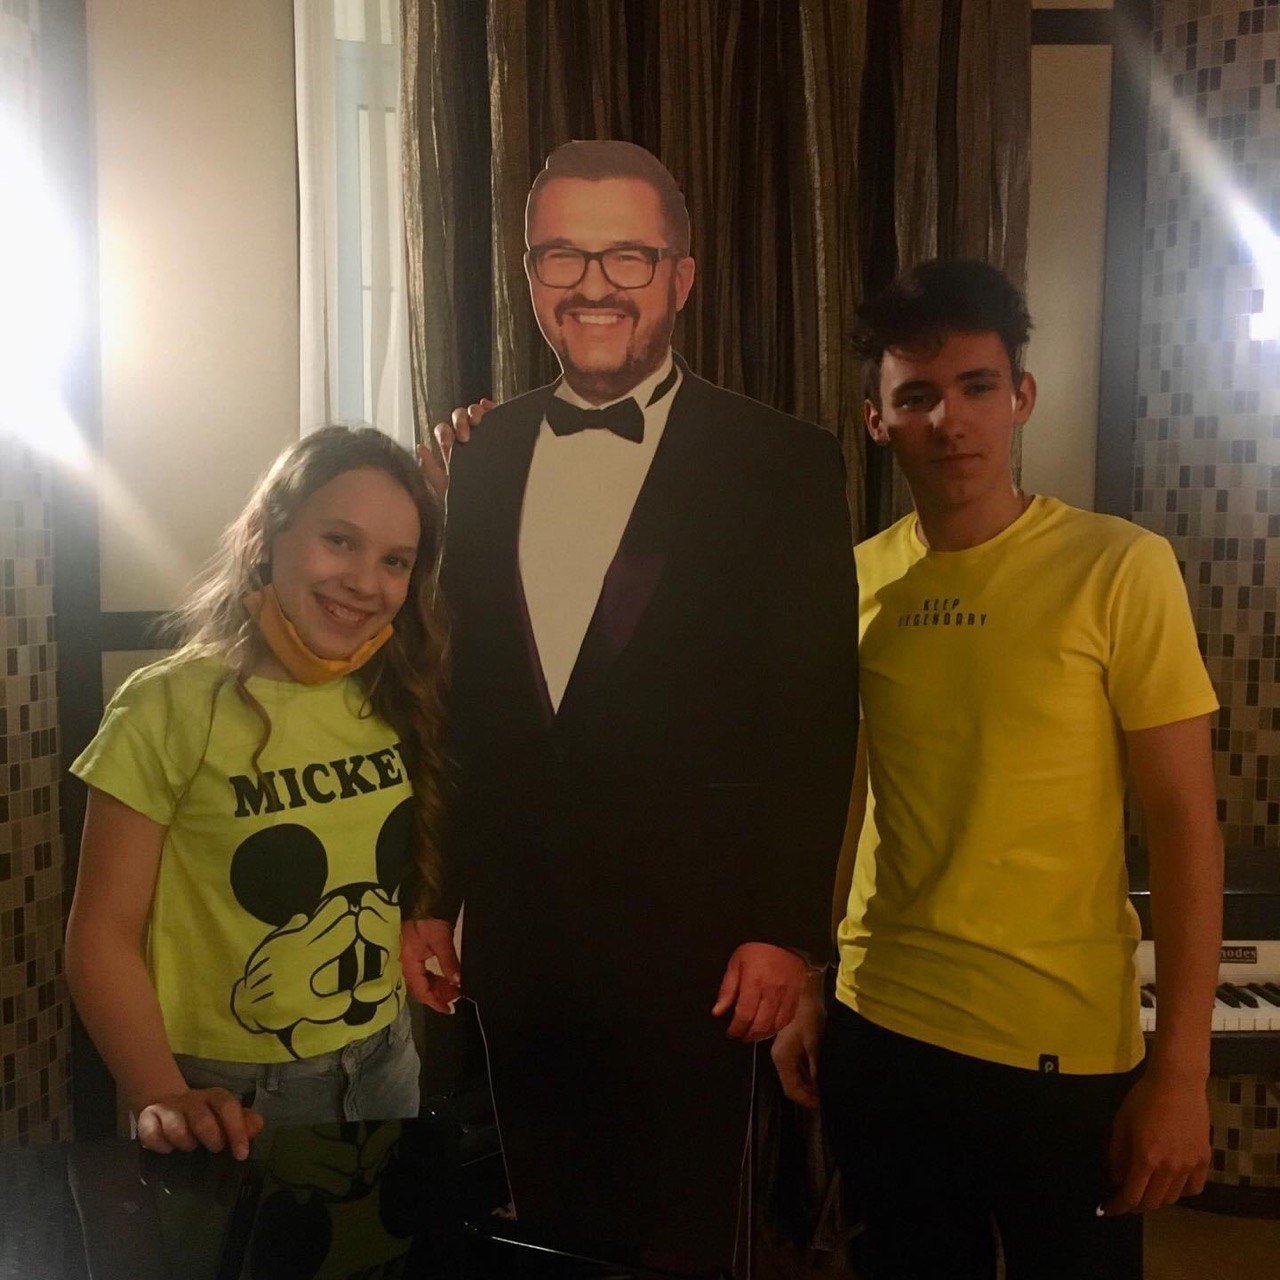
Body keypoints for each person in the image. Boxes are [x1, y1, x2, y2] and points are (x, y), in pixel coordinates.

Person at [401, 139, 858, 1271]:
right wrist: (431, 896)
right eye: (561, 254)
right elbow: (461, 701)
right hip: (517, 942)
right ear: (528, 276)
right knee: (534, 1226)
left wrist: (785, 931)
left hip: (695, 948)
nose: (593, 283)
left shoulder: (784, 461)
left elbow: (811, 715)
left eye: (626, 256)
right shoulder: (483, 453)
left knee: (680, 1238)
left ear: (680, 276)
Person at [772, 259, 1223, 1279]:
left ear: (1021, 396)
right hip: (881, 1027)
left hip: (1060, 1051)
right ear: (876, 419)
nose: (949, 421)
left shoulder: (1119, 566)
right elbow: (845, 799)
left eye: (976, 387)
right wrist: (809, 978)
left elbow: (1183, 824)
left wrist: (1180, 1073)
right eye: (916, 397)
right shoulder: (855, 580)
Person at [66, 426, 449, 1159]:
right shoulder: (165, 705)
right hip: (231, 1093)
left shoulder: (394, 691)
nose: (365, 581)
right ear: (267, 537)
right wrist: (160, 1094)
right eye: (339, 541)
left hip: (384, 1058)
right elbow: (101, 935)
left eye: (394, 560)